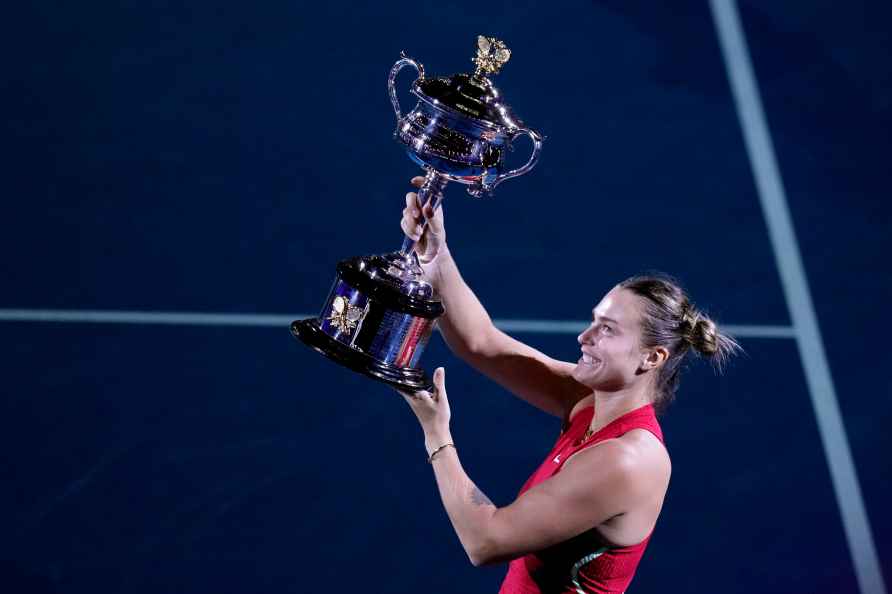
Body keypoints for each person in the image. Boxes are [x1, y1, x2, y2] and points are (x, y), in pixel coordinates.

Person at [397, 176, 741, 594]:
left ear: (652, 358)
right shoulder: (589, 401)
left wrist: (437, 434)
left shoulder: (627, 461)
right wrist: (436, 256)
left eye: (608, 329)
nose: (584, 337)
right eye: (594, 321)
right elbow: (481, 343)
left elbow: (485, 541)